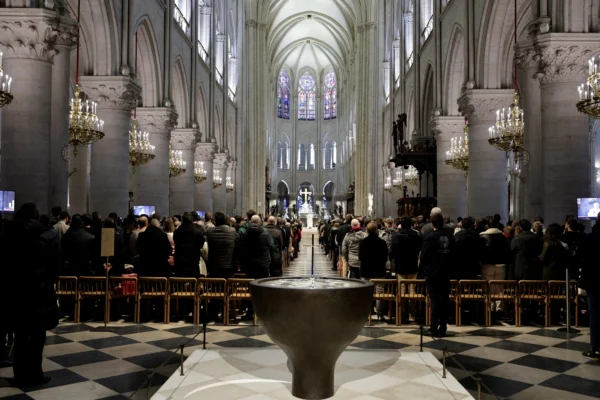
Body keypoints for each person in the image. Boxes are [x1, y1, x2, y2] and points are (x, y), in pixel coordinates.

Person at [1, 203, 60, 387]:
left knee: (20, 336)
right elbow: (55, 268)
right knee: (37, 337)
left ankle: (19, 374)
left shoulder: (8, 234)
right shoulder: (47, 236)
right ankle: (35, 374)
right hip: (39, 294)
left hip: (15, 292)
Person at [420, 214, 454, 337]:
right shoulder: (450, 237)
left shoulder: (430, 237)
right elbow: (453, 255)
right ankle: (443, 327)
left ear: (432, 223)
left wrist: (421, 270)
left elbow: (424, 255)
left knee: (434, 301)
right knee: (444, 300)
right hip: (445, 272)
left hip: (433, 273)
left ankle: (433, 327)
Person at [577, 227, 600, 361]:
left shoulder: (589, 238)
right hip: (593, 280)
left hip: (593, 280)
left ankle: (595, 347)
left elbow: (579, 257)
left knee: (595, 314)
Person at [237, 215, 273, 279]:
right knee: (263, 283)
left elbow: (241, 247)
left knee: (250, 283)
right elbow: (270, 245)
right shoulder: (266, 233)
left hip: (249, 263)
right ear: (260, 222)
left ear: (250, 222)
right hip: (263, 262)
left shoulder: (245, 234)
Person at [204, 212, 237, 279]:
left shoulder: (209, 232)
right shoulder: (232, 231)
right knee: (227, 286)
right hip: (229, 265)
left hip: (214, 264)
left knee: (215, 286)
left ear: (215, 221)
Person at [173, 213, 205, 278]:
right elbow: (201, 244)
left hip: (180, 262)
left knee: (180, 284)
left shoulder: (177, 232)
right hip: (193, 261)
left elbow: (175, 242)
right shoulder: (197, 232)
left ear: (182, 220)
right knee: (194, 284)